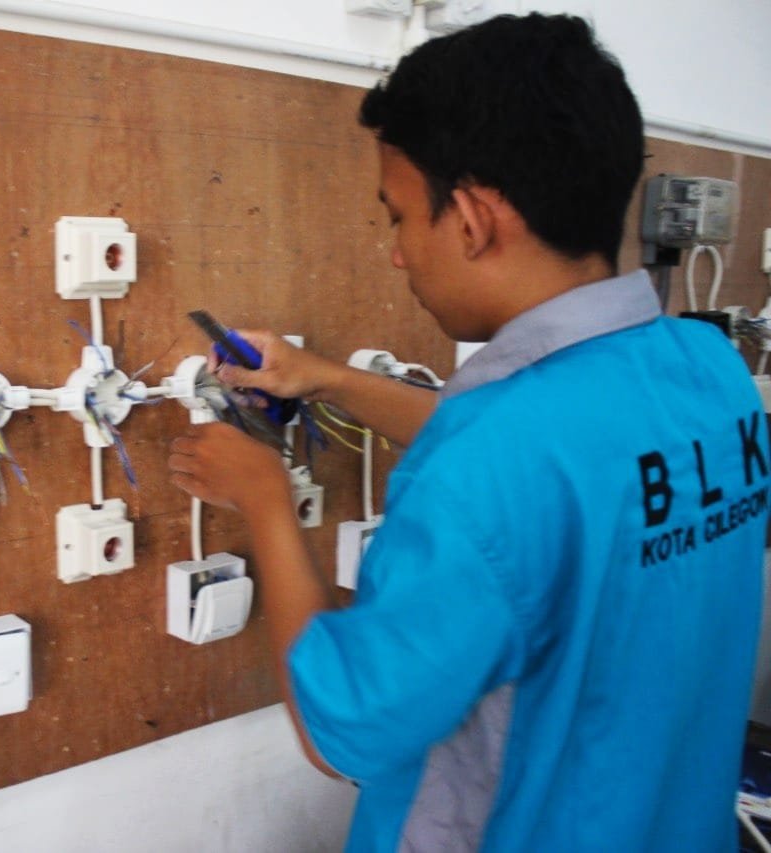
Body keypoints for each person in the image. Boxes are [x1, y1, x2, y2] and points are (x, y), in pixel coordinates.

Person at [168, 13, 769, 852]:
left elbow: (340, 735)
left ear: (474, 218)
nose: (397, 253)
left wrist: (266, 500)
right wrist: (325, 378)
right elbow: (559, 464)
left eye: (399, 216)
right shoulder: (710, 370)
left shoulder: (487, 462)